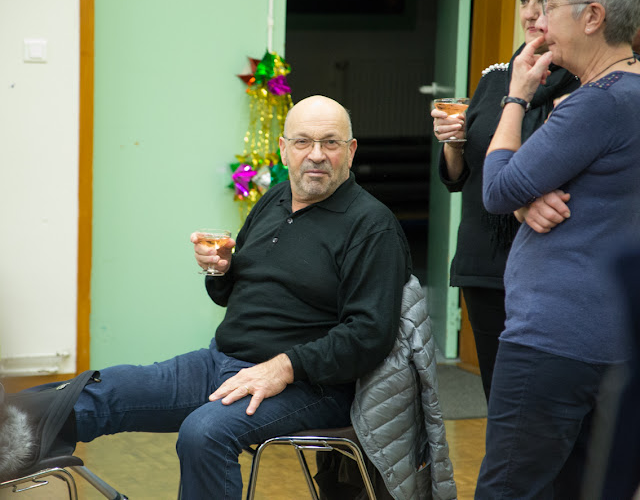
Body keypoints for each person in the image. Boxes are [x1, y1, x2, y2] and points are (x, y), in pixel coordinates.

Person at [72, 95, 413, 499]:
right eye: (303, 142)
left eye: (331, 143)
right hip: (222, 362)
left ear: (351, 151)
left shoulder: (372, 226)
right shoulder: (274, 200)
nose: (316, 154)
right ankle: (16, 441)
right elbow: (232, 294)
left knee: (204, 433)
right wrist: (221, 269)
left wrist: (283, 367)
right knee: (94, 394)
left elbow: (369, 334)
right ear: (284, 149)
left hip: (312, 386)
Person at [476, 0, 640, 498]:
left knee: (509, 490)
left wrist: (516, 96)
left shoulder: (599, 102)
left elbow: (497, 189)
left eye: (549, 6)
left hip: (555, 339)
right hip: (615, 339)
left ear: (592, 17)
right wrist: (529, 200)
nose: (539, 21)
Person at [430, 0, 579, 401]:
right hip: (483, 261)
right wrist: (454, 143)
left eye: (543, 0)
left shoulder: (584, 80)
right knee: (497, 397)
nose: (530, 12)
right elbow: (460, 178)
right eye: (523, 0)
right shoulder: (496, 78)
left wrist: (525, 199)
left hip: (545, 264)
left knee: (543, 401)